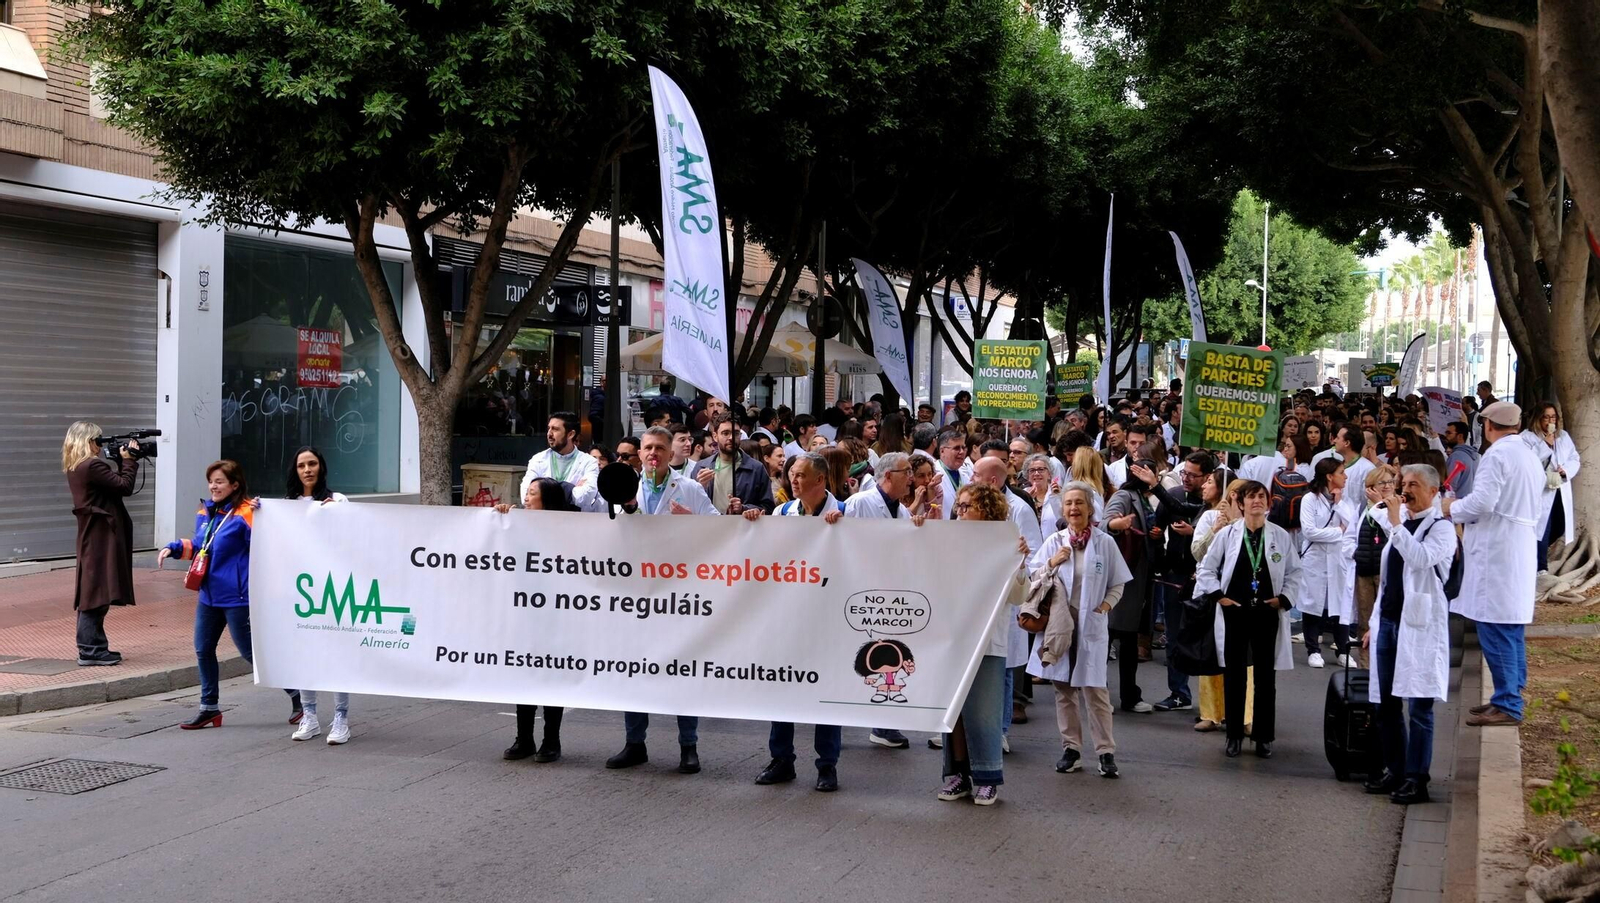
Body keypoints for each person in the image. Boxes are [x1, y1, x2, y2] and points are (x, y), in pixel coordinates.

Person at [159, 460, 300, 728]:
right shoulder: (205, 511)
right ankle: (209, 707)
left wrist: (264, 512)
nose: (213, 486)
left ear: (234, 485)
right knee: (203, 649)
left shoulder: (248, 513)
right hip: (208, 596)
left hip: (238, 597)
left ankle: (298, 695)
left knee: (250, 654)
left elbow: (268, 548)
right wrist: (174, 548)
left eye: (219, 481)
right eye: (211, 481)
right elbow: (200, 546)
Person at [611, 427, 716, 770]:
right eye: (648, 448)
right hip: (635, 595)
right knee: (633, 668)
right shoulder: (622, 487)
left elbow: (718, 535)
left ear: (671, 452)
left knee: (682, 670)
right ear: (639, 453)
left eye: (660, 448)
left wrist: (694, 524)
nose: (653, 453)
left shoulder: (690, 488)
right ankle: (634, 742)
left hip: (678, 596)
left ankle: (689, 746)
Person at [1446, 401, 1543, 727]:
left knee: (1495, 626)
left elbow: (1483, 502)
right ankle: (1508, 695)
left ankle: (1509, 703)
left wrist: (1451, 507)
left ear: (1488, 427)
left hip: (1499, 549)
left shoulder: (1497, 455)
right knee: (1510, 626)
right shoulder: (1528, 454)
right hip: (1516, 545)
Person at [1027, 482, 1134, 778]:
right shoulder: (1054, 542)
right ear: (1063, 509)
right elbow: (1034, 578)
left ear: (1090, 508)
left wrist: (1105, 607)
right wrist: (1052, 562)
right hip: (1060, 624)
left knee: (1096, 690)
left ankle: (1105, 751)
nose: (1074, 508)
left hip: (1091, 623)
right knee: (1063, 689)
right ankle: (1071, 748)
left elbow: (1118, 581)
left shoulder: (1104, 542)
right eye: (1069, 503)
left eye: (1079, 503)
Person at [1362, 464, 1454, 805]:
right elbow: (1388, 582)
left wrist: (1397, 522)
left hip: (1418, 626)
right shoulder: (1399, 523)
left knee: (1419, 706)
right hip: (1387, 621)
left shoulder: (1441, 530)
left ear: (1432, 491)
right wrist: (1373, 624)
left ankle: (1417, 777)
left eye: (1414, 484)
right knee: (1386, 704)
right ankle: (1395, 769)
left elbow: (1419, 560)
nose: (1406, 489)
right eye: (1404, 483)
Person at [1193, 480, 1302, 759]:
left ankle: (1264, 736)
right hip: (1235, 613)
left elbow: (1294, 573)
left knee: (1266, 677)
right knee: (1234, 674)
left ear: (1268, 503)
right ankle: (1234, 736)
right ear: (1240, 504)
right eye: (1251, 497)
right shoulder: (1228, 534)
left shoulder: (1279, 536)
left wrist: (1283, 599)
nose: (1257, 501)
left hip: (1267, 613)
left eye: (1261, 497)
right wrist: (1220, 596)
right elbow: (1207, 569)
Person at [936, 483, 1028, 805]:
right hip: (952, 639)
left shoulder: (1005, 545)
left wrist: (1018, 563)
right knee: (956, 712)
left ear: (986, 511)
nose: (959, 512)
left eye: (966, 506)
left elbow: (1020, 596)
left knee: (984, 712)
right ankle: (959, 774)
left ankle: (987, 777)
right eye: (958, 506)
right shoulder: (945, 542)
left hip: (988, 641)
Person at [494, 478, 577, 762]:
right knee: (524, 673)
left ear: (548, 500)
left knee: (552, 674)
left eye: (532, 493)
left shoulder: (567, 529)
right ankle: (524, 739)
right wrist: (503, 516)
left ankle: (551, 740)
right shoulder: (516, 522)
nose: (526, 498)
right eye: (526, 493)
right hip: (524, 613)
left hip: (557, 614)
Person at [285, 447, 353, 744]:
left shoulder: (337, 501)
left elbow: (354, 536)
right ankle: (310, 716)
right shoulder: (286, 505)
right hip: (301, 592)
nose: (307, 470)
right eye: (301, 465)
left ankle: (341, 718)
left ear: (321, 467)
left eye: (312, 464)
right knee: (305, 654)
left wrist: (335, 516)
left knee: (337, 654)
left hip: (333, 590)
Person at [63, 421, 139, 667]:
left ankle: (92, 647)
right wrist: (128, 460)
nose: (100, 444)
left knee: (94, 587)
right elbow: (124, 487)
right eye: (97, 439)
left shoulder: (78, 466)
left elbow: (112, 487)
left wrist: (120, 460)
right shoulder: (92, 465)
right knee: (96, 590)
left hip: (94, 530)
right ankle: (91, 649)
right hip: (100, 533)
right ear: (88, 441)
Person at [1189, 473, 1255, 733]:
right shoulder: (1209, 517)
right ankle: (1210, 713)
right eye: (1237, 497)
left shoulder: (1254, 525)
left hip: (1243, 599)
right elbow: (1197, 553)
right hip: (1213, 597)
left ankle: (1245, 715)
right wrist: (1217, 529)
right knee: (1212, 655)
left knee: (1245, 660)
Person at [1103, 452, 1163, 713]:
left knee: (1127, 639)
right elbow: (1107, 523)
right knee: (1111, 637)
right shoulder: (1124, 496)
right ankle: (1102, 693)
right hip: (1123, 579)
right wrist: (1120, 523)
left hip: (1139, 578)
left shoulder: (1144, 499)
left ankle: (1130, 695)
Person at [1299, 458, 1355, 669]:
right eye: (1342, 472)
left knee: (1340, 604)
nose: (1346, 476)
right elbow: (1309, 531)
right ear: (1330, 476)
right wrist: (1338, 532)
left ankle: (1343, 650)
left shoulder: (1344, 499)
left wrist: (1339, 503)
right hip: (1315, 559)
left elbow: (1352, 526)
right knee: (1312, 605)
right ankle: (1313, 650)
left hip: (1338, 559)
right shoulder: (1309, 499)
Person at [1351, 465, 1400, 667]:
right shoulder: (1364, 508)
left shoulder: (1397, 507)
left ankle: (1385, 666)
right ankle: (1365, 667)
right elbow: (1351, 536)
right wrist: (1353, 554)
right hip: (1364, 570)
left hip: (1385, 572)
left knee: (1384, 620)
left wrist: (1380, 504)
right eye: (1382, 483)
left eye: (1390, 482)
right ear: (1371, 486)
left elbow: (1394, 532)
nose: (1387, 486)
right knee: (1365, 621)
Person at [1523, 403, 1581, 571]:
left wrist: (1566, 471)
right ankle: (1541, 568)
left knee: (1559, 524)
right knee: (1542, 528)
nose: (1550, 420)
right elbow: (1528, 461)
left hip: (1559, 489)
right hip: (1540, 491)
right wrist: (1545, 445)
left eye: (1553, 417)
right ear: (1538, 418)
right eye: (1546, 417)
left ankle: (1539, 557)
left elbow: (1574, 458)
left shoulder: (1563, 436)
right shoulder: (1528, 437)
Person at [696, 412, 774, 515]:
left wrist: (743, 509)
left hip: (742, 528)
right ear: (715, 436)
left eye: (736, 433)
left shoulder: (756, 468)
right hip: (710, 528)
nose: (731, 438)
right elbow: (690, 505)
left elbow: (768, 507)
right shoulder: (701, 467)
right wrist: (699, 487)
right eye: (725, 433)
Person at [519, 412, 599, 512]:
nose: (549, 434)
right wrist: (570, 489)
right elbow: (525, 496)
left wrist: (544, 493)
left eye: (555, 429)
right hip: (542, 521)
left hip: (574, 522)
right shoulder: (538, 459)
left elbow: (586, 497)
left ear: (570, 434)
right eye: (549, 428)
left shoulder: (589, 462)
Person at [1440, 421, 1478, 498]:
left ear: (1460, 436)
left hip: (1457, 503)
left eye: (1449, 433)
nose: (1446, 436)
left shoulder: (1457, 456)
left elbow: (1450, 485)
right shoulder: (1471, 455)